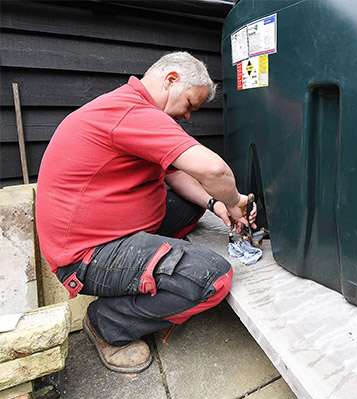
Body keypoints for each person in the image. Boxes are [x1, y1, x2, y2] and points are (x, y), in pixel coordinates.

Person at [35, 52, 256, 373]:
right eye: (191, 105)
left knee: (190, 205)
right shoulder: (131, 113)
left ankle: (155, 264)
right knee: (213, 278)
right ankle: (107, 324)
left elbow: (174, 173)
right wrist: (235, 202)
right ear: (171, 80)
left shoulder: (129, 106)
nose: (189, 116)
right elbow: (215, 171)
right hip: (84, 257)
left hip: (101, 227)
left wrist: (214, 204)